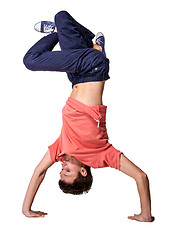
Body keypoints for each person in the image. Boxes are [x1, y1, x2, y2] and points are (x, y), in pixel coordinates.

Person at [22, 10, 154, 222]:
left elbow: (39, 172)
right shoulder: (102, 156)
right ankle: (86, 45)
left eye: (60, 172)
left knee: (63, 17)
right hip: (92, 67)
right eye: (67, 172)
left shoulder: (61, 149)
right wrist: (145, 215)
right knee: (30, 60)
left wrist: (26, 210)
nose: (62, 167)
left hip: (76, 75)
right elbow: (141, 176)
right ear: (83, 172)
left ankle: (89, 40)